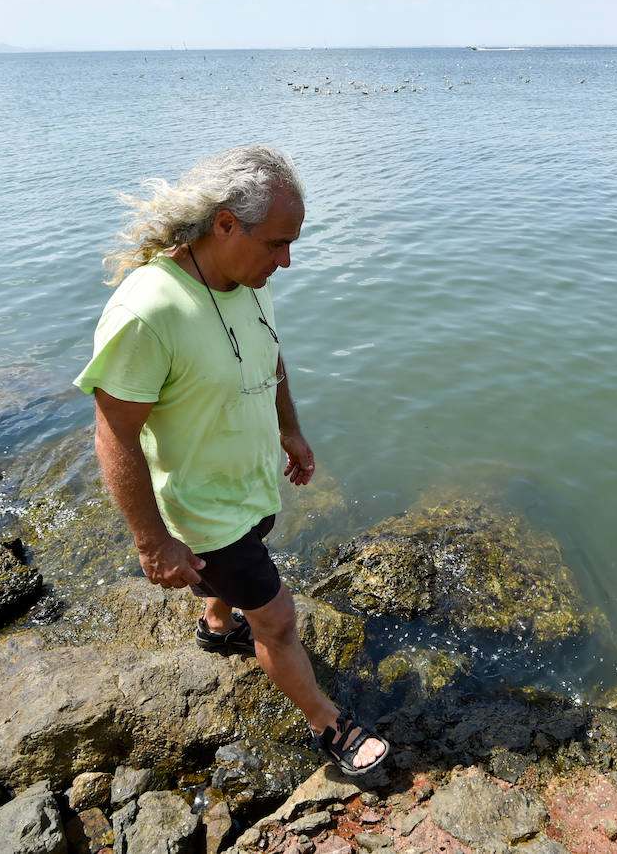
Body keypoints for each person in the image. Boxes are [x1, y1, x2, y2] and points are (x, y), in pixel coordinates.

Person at [74, 145, 388, 776]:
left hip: (248, 488)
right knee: (277, 620)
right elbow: (114, 435)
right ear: (224, 225)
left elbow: (270, 360)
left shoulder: (248, 281)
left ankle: (218, 626)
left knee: (246, 572)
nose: (287, 260)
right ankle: (330, 727)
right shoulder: (149, 310)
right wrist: (153, 541)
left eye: (291, 243)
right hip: (200, 508)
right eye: (277, 243)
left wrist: (290, 431)